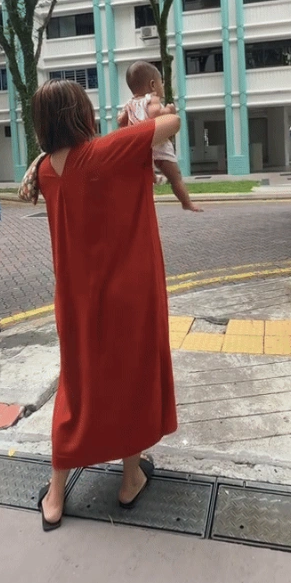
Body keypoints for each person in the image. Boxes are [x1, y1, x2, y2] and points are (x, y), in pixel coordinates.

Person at [26, 79, 179, 530]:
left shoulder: (45, 171)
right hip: (129, 293)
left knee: (77, 388)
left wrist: (37, 158)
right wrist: (149, 109)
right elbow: (172, 123)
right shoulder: (109, 151)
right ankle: (130, 478)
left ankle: (55, 496)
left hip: (75, 300)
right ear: (82, 114)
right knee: (130, 378)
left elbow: (57, 161)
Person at [118, 60, 201, 212]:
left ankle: (153, 182)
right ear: (152, 85)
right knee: (175, 177)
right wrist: (169, 111)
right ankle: (186, 202)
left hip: (141, 146)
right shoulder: (152, 98)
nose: (162, 86)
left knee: (145, 178)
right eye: (161, 83)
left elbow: (121, 121)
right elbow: (155, 114)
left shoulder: (129, 104)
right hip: (159, 143)